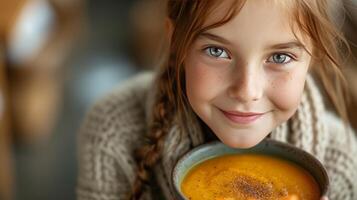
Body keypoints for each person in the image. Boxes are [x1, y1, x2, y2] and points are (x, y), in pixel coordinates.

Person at [76, 0, 357, 200]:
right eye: (216, 51)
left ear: (313, 56)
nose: (247, 91)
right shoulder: (112, 132)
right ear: (177, 42)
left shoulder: (342, 158)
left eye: (280, 57)